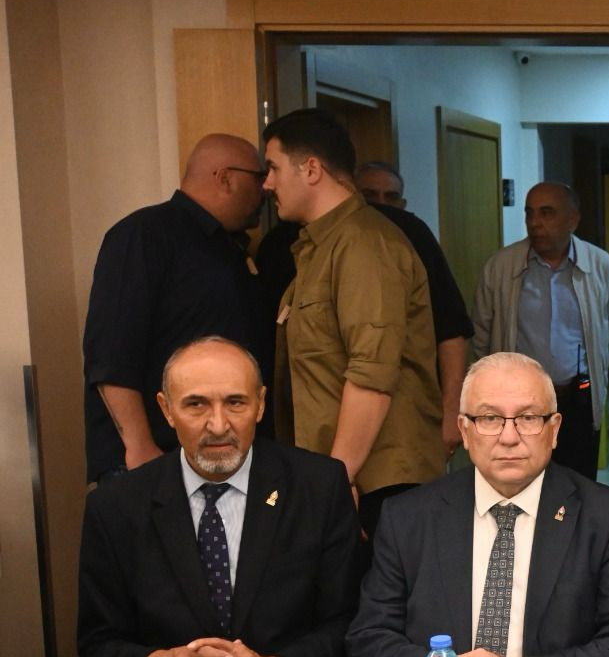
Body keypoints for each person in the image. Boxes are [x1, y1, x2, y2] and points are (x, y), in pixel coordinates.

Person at [346, 352, 609, 657]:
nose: (509, 437)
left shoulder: (604, 516)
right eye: (490, 418)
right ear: (464, 431)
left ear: (554, 430)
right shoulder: (408, 516)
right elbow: (369, 638)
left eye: (528, 418)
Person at [77, 337, 361, 657]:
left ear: (260, 404)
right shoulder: (116, 506)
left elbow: (349, 622)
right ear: (166, 409)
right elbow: (97, 643)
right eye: (196, 405)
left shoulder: (318, 487)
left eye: (235, 402)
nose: (217, 424)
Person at [263, 108, 444, 538]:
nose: (266, 183)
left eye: (273, 168)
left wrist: (339, 477)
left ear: (311, 169)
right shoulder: (320, 247)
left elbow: (372, 373)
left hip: (377, 483)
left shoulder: (364, 245)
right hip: (340, 476)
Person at [81, 134, 269, 482]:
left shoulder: (231, 249)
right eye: (258, 177)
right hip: (154, 459)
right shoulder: (144, 235)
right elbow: (110, 354)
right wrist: (140, 448)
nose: (266, 188)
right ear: (225, 177)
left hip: (222, 459)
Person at [256, 163, 472, 459]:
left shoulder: (403, 233)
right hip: (308, 437)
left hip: (391, 442)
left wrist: (451, 411)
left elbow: (449, 328)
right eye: (371, 194)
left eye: (390, 196)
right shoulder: (286, 243)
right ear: (355, 192)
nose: (381, 204)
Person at [472, 182, 609, 480]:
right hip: (518, 401)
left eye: (547, 213)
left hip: (577, 396)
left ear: (572, 219)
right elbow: (481, 335)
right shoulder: (501, 267)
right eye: (530, 213)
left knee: (576, 484)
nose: (535, 222)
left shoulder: (600, 266)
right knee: (521, 481)